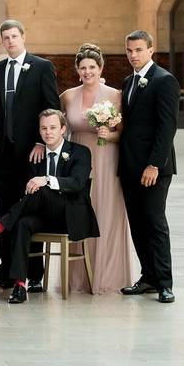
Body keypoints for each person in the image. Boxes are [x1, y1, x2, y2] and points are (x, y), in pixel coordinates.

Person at [0, 109, 99, 303]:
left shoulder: (80, 152)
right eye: (44, 128)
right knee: (23, 223)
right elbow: (28, 191)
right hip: (43, 215)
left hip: (70, 216)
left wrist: (46, 179)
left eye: (53, 128)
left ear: (63, 129)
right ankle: (20, 286)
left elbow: (77, 183)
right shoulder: (35, 156)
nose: (48, 132)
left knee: (42, 189)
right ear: (39, 132)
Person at [0, 19, 60, 290]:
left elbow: (52, 108)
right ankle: (6, 271)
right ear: (2, 41)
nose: (10, 41)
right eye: (5, 37)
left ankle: (34, 273)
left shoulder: (42, 67)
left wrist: (42, 142)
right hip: (3, 157)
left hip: (33, 156)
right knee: (6, 213)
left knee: (30, 214)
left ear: (23, 37)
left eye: (14, 36)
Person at [60, 44, 134, 294]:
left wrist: (109, 134)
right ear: (77, 70)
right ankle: (78, 277)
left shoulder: (114, 95)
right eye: (83, 68)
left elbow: (124, 131)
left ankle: (107, 275)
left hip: (106, 156)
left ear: (100, 68)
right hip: (77, 157)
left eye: (92, 67)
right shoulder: (68, 96)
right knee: (79, 209)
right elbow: (57, 126)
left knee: (106, 212)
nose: (87, 71)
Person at [118, 30, 179, 304]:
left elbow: (166, 128)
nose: (133, 55)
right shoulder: (128, 81)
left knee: (155, 223)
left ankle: (165, 283)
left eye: (139, 50)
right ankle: (148, 278)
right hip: (130, 167)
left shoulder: (164, 81)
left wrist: (154, 164)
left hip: (154, 168)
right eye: (129, 50)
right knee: (137, 224)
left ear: (151, 50)